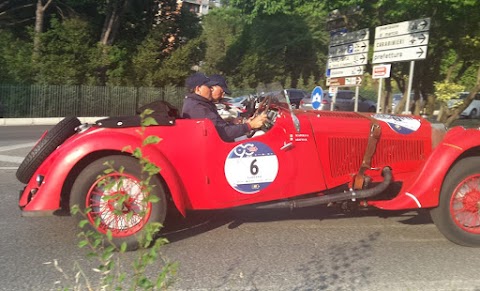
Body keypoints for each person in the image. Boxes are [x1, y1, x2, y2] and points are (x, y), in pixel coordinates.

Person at [181, 72, 267, 142]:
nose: (211, 89)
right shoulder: (197, 108)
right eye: (208, 87)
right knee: (260, 135)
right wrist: (250, 125)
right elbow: (223, 133)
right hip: (216, 149)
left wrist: (232, 123)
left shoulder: (198, 104)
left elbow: (218, 128)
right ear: (198, 89)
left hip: (217, 145)